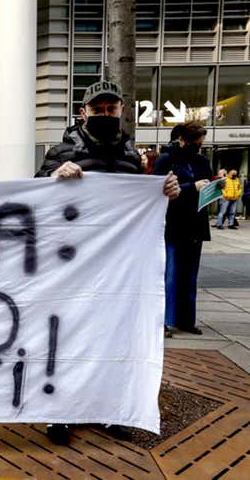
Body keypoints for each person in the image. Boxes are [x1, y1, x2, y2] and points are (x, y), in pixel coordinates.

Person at [35, 80, 180, 446]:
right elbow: (34, 196)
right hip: (70, 264)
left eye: (110, 109)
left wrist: (164, 193)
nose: (104, 114)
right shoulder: (61, 151)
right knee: (66, 339)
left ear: (120, 111)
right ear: (83, 112)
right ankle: (59, 412)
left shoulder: (132, 156)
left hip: (116, 269)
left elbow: (139, 206)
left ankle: (108, 409)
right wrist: (54, 178)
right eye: (97, 110)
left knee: (111, 338)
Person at [154, 122, 213, 338]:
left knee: (189, 277)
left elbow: (207, 181)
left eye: (200, 143)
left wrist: (214, 187)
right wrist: (192, 187)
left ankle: (186, 320)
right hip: (173, 223)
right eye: (194, 142)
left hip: (195, 224)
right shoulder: (166, 160)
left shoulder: (201, 161)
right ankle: (166, 320)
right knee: (171, 275)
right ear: (181, 140)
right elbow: (160, 191)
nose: (197, 146)